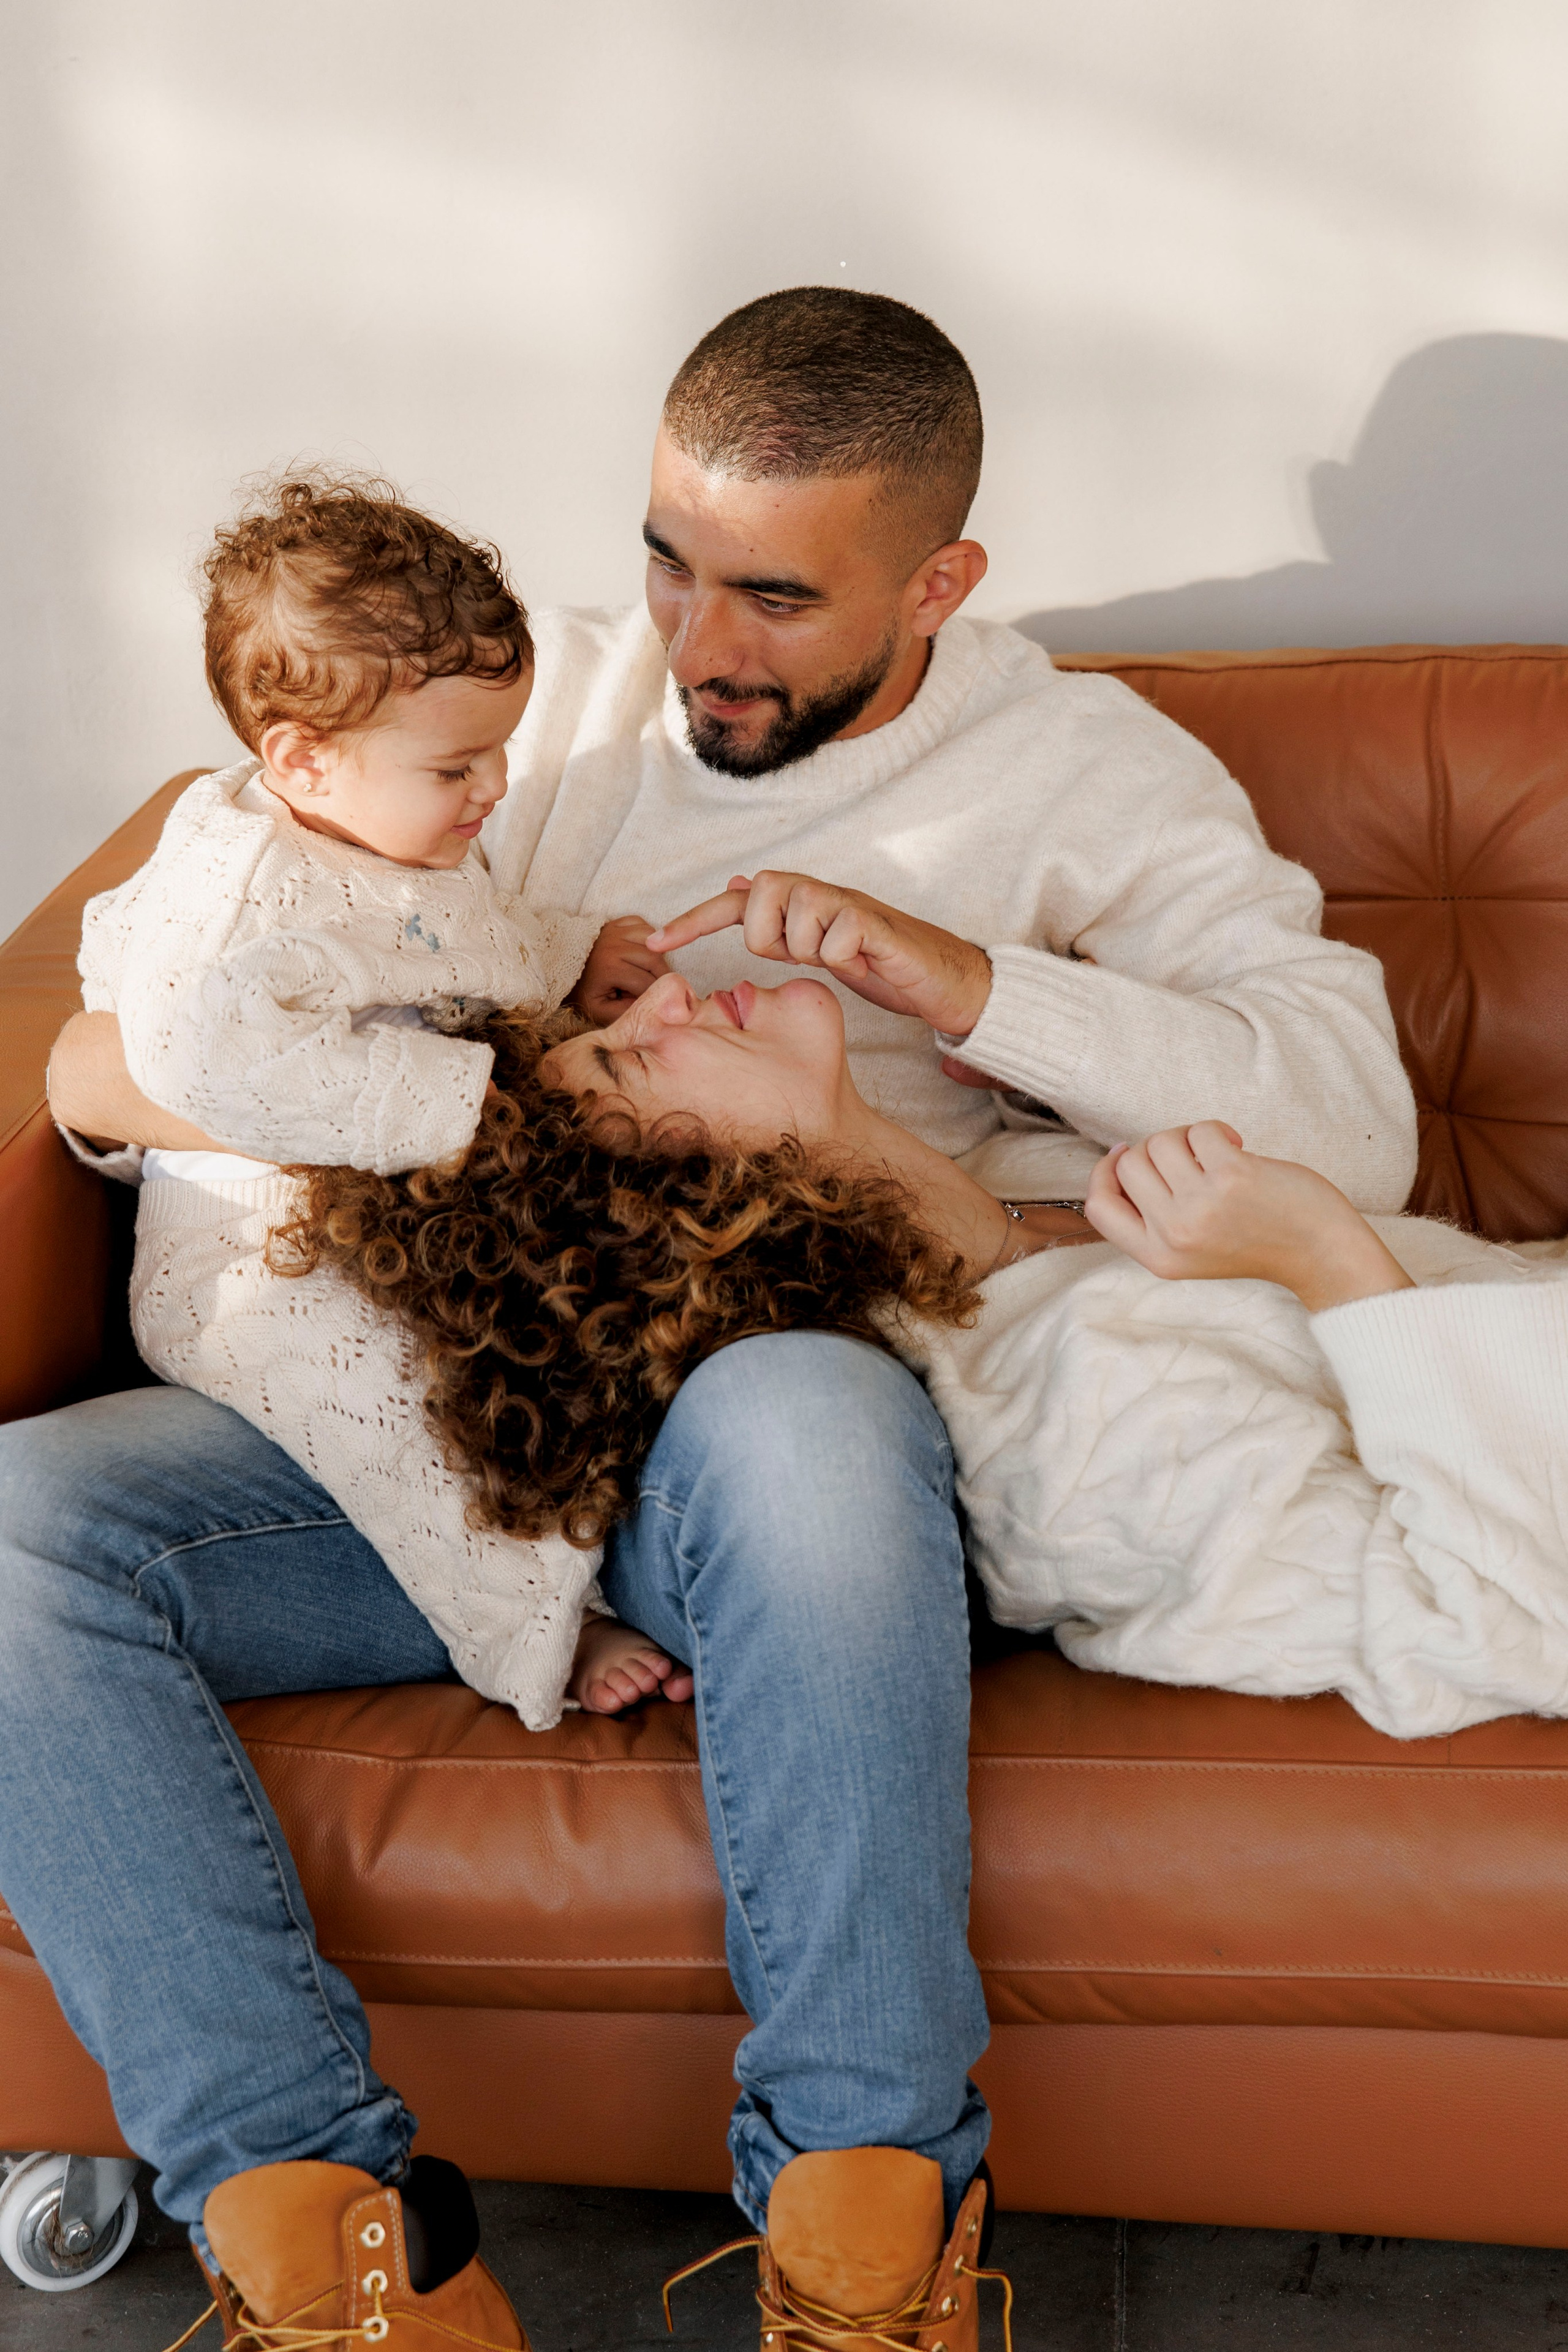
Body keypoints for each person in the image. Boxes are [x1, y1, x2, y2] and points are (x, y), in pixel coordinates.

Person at [20, 287, 1417, 2347]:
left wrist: (964, 986)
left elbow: (1355, 1126)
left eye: (773, 596)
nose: (695, 648)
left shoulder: (1082, 769)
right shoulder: (529, 709)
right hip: (422, 1414)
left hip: (748, 1437)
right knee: (16, 1534)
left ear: (938, 578)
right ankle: (333, 2247)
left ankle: (873, 2248)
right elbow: (107, 1058)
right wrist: (420, 1093)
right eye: (670, 560)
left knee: (802, 1420)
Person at [86, 468, 685, 1731]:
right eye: (460, 766)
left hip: (393, 1225)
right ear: (298, 759)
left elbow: (468, 946)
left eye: (502, 755)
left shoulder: (384, 842)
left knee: (561, 1336)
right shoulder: (248, 890)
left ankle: (602, 1528)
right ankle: (535, 1633)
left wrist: (573, 957)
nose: (495, 790)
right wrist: (472, 1102)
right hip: (262, 1273)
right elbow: (194, 1053)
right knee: (402, 1420)